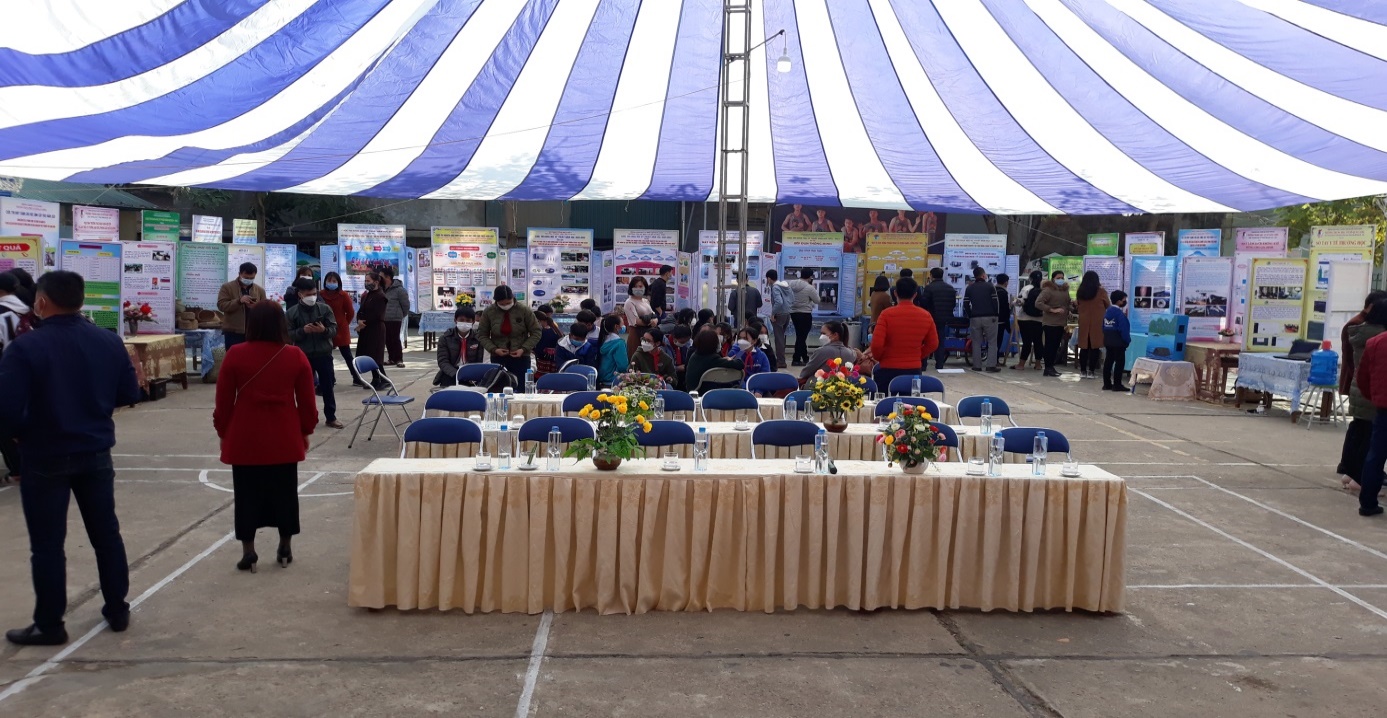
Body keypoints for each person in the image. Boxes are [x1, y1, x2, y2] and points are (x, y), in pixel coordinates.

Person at [0, 271, 140, 646]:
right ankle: (117, 609)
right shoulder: (108, 341)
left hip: (44, 455)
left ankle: (50, 624)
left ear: (42, 302)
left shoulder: (25, 347)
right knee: (106, 534)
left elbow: (7, 409)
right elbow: (129, 392)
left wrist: (20, 432)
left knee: (47, 544)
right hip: (95, 451)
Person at [213, 301, 318, 574]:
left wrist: (223, 431)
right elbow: (307, 403)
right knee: (285, 494)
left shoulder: (235, 355)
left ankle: (249, 551)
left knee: (246, 496)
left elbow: (223, 402)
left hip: (245, 436)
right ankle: (285, 547)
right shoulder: (295, 356)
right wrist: (305, 430)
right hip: (284, 435)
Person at [1341, 299, 1387, 492]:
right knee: (1369, 442)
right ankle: (1360, 479)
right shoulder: (1378, 337)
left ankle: (1351, 472)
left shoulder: (1361, 331)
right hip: (1374, 394)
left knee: (1359, 433)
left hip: (1362, 389)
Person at [286, 278, 343, 429]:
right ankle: (307, 418)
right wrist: (302, 331)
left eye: (314, 294)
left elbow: (334, 330)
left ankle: (331, 417)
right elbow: (288, 334)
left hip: (324, 354)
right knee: (304, 389)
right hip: (303, 355)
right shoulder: (292, 313)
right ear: (300, 294)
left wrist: (324, 330)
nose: (312, 297)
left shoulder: (324, 309)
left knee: (328, 387)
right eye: (308, 294)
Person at [869, 277, 940, 392]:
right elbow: (933, 344)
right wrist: (917, 355)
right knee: (911, 402)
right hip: (914, 369)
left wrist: (881, 358)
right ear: (915, 294)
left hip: (888, 368)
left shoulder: (886, 315)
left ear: (895, 293)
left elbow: (876, 344)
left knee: (882, 401)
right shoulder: (926, 315)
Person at [1353, 312, 1387, 516]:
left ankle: (1367, 503)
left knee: (1375, 456)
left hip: (1383, 408)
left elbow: (1363, 377)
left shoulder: (1375, 342)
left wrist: (1373, 397)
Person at [476, 285, 541, 380]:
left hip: (521, 357)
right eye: (502, 304)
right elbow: (482, 334)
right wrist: (494, 349)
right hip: (498, 357)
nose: (505, 306)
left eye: (508, 303)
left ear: (513, 298)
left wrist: (523, 349)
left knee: (520, 386)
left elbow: (536, 332)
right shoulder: (489, 312)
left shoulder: (524, 310)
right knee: (499, 385)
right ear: (496, 301)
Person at [319, 271, 364, 388]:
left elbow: (350, 312)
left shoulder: (343, 295)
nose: (331, 283)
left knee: (347, 355)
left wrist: (344, 323)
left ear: (338, 282)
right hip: (326, 329)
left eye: (334, 281)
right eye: (329, 280)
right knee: (327, 356)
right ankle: (331, 379)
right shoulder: (321, 294)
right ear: (325, 282)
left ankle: (357, 378)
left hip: (341, 329)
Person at [217, 262, 267, 350]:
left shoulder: (260, 290)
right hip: (233, 331)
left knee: (252, 356)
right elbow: (221, 306)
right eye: (246, 277)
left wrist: (256, 307)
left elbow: (265, 310)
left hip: (254, 331)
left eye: (252, 278)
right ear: (239, 274)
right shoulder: (227, 287)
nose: (249, 280)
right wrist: (239, 301)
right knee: (234, 356)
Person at [1035, 270, 1072, 378]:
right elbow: (1038, 303)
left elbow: (1067, 303)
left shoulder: (1065, 290)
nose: (1060, 280)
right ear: (1053, 279)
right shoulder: (1048, 290)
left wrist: (1071, 308)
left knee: (1055, 346)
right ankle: (1048, 367)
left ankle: (1051, 367)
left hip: (1061, 322)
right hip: (1050, 323)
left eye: (1062, 278)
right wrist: (1051, 310)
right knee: (1050, 346)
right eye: (1058, 278)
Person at [1074, 270, 1110, 380]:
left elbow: (1078, 305)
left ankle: (1082, 371)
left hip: (1084, 322)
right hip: (1097, 322)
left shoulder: (1080, 291)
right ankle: (1091, 372)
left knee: (1084, 347)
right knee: (1095, 347)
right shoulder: (1101, 291)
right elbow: (1108, 305)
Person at [435, 306, 485, 387]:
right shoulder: (445, 338)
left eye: (468, 320)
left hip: (471, 374)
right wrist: (457, 374)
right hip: (451, 373)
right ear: (455, 320)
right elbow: (443, 361)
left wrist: (472, 374)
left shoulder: (478, 339)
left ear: (473, 322)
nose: (464, 323)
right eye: (461, 320)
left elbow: (480, 361)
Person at [355, 272, 389, 389]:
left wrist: (364, 322)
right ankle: (376, 378)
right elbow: (361, 311)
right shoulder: (367, 295)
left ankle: (383, 379)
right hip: (366, 329)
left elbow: (377, 314)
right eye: (365, 281)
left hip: (376, 329)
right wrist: (359, 320)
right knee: (368, 355)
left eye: (368, 281)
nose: (366, 283)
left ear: (376, 282)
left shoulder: (381, 296)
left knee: (376, 356)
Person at [963, 267, 1001, 372]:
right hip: (990, 317)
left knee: (976, 342)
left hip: (975, 317)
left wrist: (971, 315)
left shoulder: (969, 288)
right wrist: (996, 314)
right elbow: (995, 302)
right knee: (992, 341)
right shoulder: (990, 286)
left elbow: (966, 304)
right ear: (983, 275)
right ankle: (991, 365)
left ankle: (977, 365)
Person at [799, 320, 858, 386]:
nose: (821, 336)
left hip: (820, 387)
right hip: (842, 387)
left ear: (835, 335)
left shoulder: (821, 351)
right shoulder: (851, 353)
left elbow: (806, 372)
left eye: (824, 333)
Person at [685, 328, 744, 392]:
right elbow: (740, 364)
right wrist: (729, 359)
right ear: (714, 343)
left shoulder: (695, 355)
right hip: (704, 393)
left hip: (693, 392)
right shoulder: (713, 359)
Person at [1013, 270, 1045, 372]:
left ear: (1030, 279)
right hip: (1040, 319)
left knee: (1027, 341)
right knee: (1038, 342)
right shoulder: (1044, 289)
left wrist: (1015, 302)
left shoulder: (1027, 288)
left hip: (1025, 319)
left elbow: (1019, 302)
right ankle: (1038, 364)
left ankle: (1021, 364)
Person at [379, 266, 410, 367]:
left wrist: (400, 315)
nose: (379, 278)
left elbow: (406, 305)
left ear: (388, 277)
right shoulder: (381, 289)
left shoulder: (399, 290)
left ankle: (399, 359)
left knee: (395, 339)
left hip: (395, 318)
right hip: (384, 318)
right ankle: (391, 358)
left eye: (381, 276)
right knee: (387, 339)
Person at [1102, 290, 1132, 391]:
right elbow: (1124, 329)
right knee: (1119, 363)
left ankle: (1107, 384)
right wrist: (1127, 341)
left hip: (1108, 340)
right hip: (1118, 342)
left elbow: (1103, 327)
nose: (1125, 301)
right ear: (1119, 301)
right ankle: (1117, 384)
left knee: (1108, 361)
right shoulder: (1119, 314)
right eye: (1124, 300)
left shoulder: (1107, 312)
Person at [623, 276, 658, 359]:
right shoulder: (629, 302)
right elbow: (636, 321)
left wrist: (655, 320)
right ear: (631, 288)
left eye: (640, 286)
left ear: (645, 287)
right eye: (635, 286)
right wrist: (651, 322)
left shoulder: (645, 301)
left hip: (649, 333)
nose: (638, 288)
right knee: (637, 358)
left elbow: (653, 315)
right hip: (636, 333)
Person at [788, 268, 816, 365]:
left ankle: (805, 358)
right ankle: (796, 359)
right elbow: (817, 300)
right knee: (801, 337)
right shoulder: (809, 288)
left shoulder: (791, 283)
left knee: (800, 336)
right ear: (810, 276)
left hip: (794, 313)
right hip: (805, 313)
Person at [767, 268, 792, 369]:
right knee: (782, 338)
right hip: (787, 314)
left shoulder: (775, 287)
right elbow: (792, 298)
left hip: (779, 315)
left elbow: (779, 302)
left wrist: (773, 313)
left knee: (779, 339)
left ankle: (781, 361)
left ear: (769, 278)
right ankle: (781, 360)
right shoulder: (785, 286)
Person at [595, 314, 629, 388]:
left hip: (602, 379)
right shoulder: (619, 343)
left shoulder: (603, 340)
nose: (624, 326)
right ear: (616, 326)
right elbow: (623, 366)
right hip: (614, 381)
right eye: (622, 324)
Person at [534, 305, 561, 377]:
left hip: (545, 361)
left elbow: (539, 348)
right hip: (550, 361)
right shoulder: (552, 328)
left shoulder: (543, 331)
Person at [994, 274, 1013, 368]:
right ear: (1006, 282)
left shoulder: (993, 290)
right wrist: (1007, 325)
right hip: (1000, 321)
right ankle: (995, 361)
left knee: (992, 341)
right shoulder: (1003, 292)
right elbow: (1005, 309)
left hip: (991, 319)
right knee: (998, 341)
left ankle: (993, 360)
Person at [668, 324, 693, 389]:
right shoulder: (665, 346)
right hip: (671, 375)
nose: (684, 343)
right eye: (682, 341)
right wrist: (677, 368)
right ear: (674, 337)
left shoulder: (687, 344)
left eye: (687, 341)